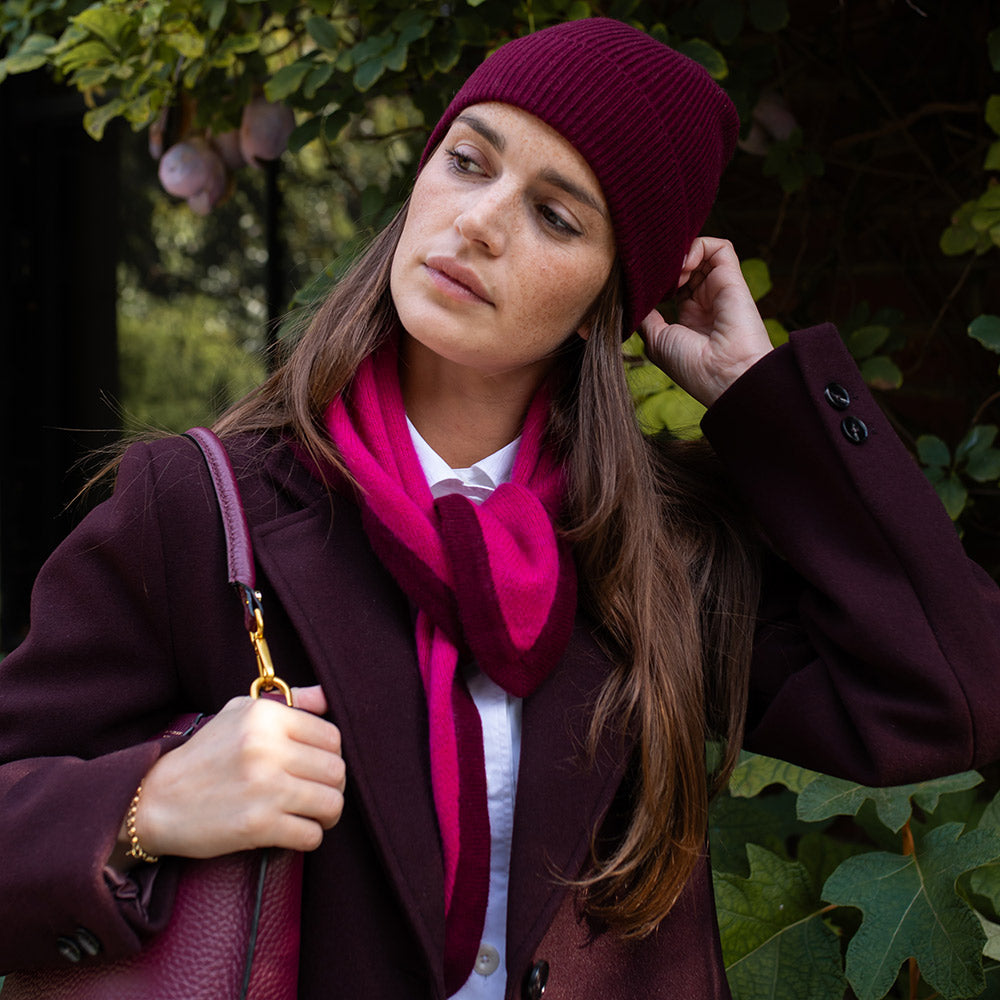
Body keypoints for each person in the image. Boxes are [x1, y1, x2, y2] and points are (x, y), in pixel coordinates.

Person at [2, 16, 1000, 1000]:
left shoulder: (666, 549)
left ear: (610, 297)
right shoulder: (206, 508)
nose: (478, 221)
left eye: (556, 216)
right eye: (469, 163)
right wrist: (147, 802)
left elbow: (951, 692)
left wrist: (760, 393)